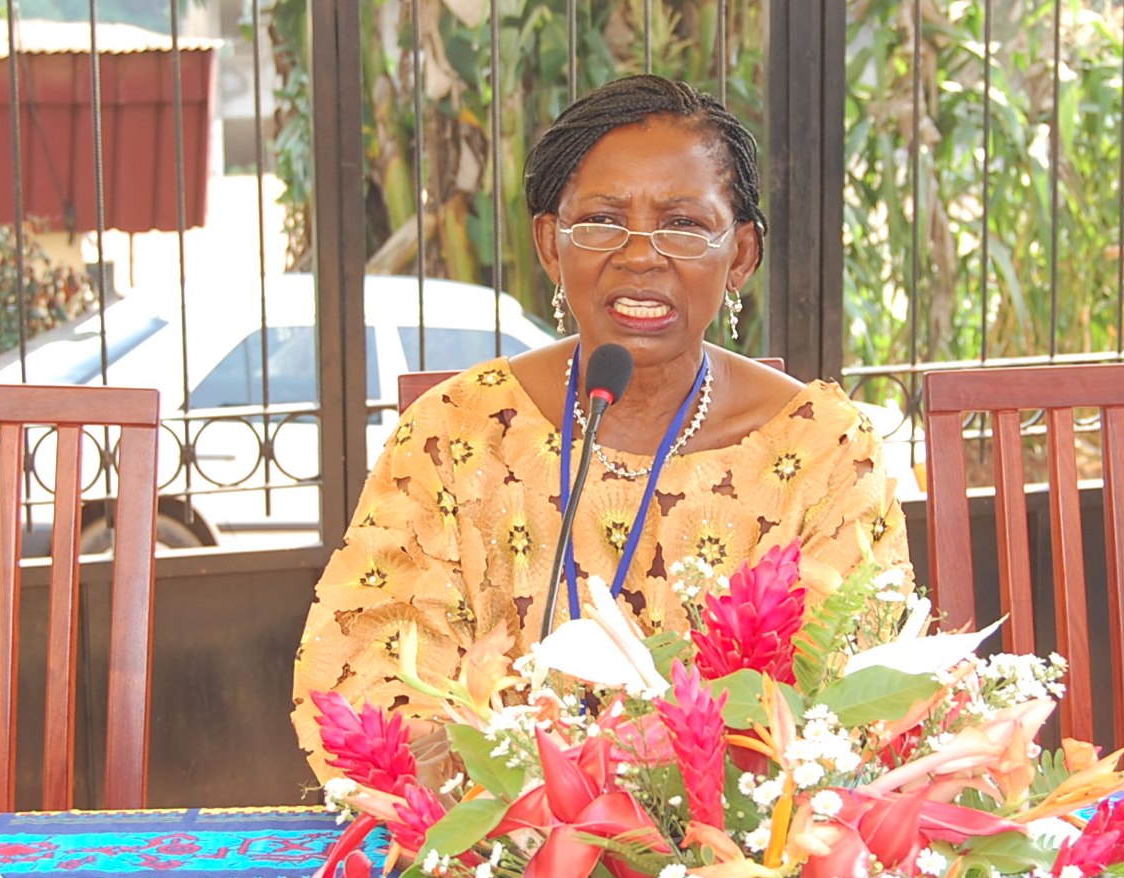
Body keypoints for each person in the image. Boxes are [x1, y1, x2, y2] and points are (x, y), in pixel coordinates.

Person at [292, 74, 912, 780]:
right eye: (603, 221)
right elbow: (369, 662)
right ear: (552, 246)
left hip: (742, 852)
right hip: (505, 846)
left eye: (681, 224)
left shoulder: (823, 448)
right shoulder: (458, 434)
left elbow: (856, 694)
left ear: (739, 254)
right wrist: (520, 798)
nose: (640, 255)